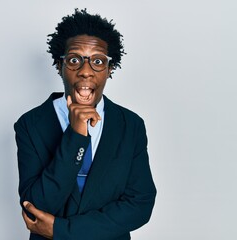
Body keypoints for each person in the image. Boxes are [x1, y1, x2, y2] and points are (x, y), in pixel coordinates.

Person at [14, 9, 157, 240]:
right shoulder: (30, 125)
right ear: (60, 65)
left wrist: (62, 230)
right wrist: (76, 135)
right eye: (74, 60)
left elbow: (140, 204)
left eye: (98, 61)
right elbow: (35, 207)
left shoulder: (130, 126)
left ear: (110, 69)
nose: (86, 72)